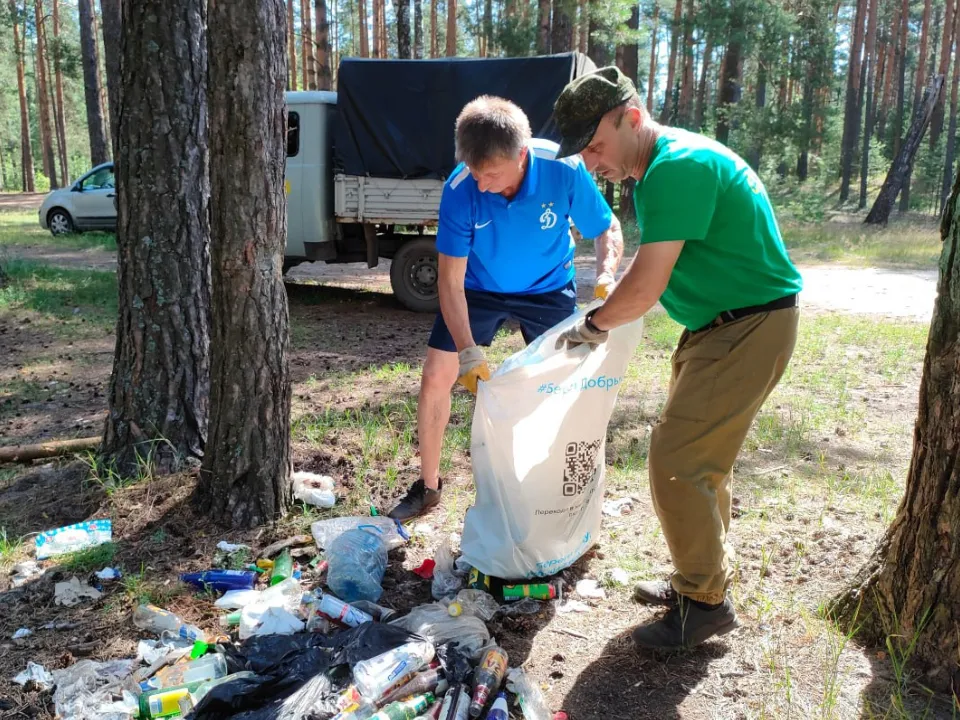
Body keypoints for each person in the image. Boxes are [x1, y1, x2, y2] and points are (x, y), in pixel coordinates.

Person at [551, 66, 803, 650]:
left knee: (676, 460)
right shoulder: (667, 165)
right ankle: (704, 581)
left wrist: (592, 327)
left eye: (596, 145)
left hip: (748, 325)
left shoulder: (676, 168)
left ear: (631, 118)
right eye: (584, 153)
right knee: (700, 461)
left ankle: (704, 602)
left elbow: (643, 287)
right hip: (726, 325)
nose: (592, 163)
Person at [387, 95, 624, 521]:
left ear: (522, 154)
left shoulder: (565, 170)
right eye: (475, 173)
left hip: (548, 288)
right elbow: (450, 283)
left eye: (490, 174)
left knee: (565, 385)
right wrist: (467, 351)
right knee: (435, 375)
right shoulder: (461, 190)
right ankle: (428, 486)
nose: (481, 184)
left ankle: (558, 487)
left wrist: (606, 276)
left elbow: (606, 228)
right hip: (477, 288)